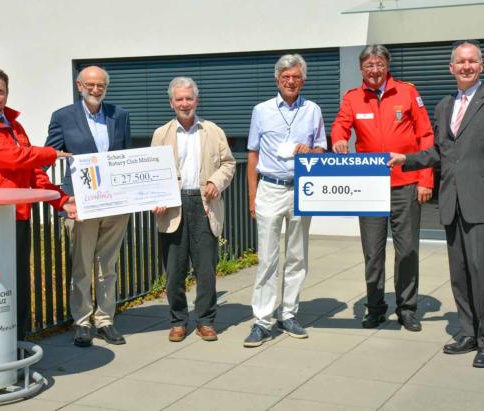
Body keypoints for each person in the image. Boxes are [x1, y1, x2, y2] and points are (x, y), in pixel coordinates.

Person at [388, 40, 484, 367]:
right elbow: (440, 153)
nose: (466, 66)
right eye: (460, 62)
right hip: (452, 201)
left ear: (481, 65)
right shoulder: (444, 106)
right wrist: (406, 158)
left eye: (472, 61)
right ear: (451, 68)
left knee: (483, 273)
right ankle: (467, 332)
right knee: (460, 273)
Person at [0, 67, 76, 341]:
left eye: (0, 91)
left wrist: (60, 200)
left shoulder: (14, 126)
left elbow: (32, 171)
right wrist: (50, 153)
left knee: (18, 284)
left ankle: (19, 343)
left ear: (7, 93)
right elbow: (11, 157)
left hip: (18, 216)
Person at [330, 44, 434, 332]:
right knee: (373, 253)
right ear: (361, 69)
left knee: (408, 250)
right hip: (369, 187)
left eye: (379, 64)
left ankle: (407, 308)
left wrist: (425, 179)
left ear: (387, 66)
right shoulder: (353, 98)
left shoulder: (407, 92)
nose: (374, 70)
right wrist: (339, 139)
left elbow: (426, 137)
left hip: (406, 184)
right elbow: (341, 125)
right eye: (368, 66)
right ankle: (375, 308)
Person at [45, 66, 132, 347]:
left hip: (115, 202)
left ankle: (105, 319)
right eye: (91, 85)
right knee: (82, 265)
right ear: (79, 85)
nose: (96, 90)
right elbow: (50, 154)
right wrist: (55, 192)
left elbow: (127, 158)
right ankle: (82, 322)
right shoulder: (63, 116)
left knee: (108, 265)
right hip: (81, 204)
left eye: (101, 86)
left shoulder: (120, 115)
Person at [244, 54, 327, 347]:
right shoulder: (261, 110)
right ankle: (262, 320)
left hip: (301, 189)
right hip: (270, 187)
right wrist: (252, 196)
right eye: (285, 77)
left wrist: (310, 152)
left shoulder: (313, 110)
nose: (290, 81)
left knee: (297, 256)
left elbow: (321, 151)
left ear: (303, 80)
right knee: (267, 257)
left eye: (296, 77)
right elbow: (252, 154)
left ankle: (289, 313)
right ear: (277, 79)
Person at [151, 77, 235, 342]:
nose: (184, 103)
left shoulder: (213, 131)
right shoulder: (161, 134)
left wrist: (215, 181)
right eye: (179, 99)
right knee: (174, 271)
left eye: (189, 98)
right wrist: (156, 197)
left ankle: (206, 320)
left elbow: (229, 164)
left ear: (196, 100)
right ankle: (178, 321)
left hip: (204, 203)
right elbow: (152, 172)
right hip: (173, 207)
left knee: (206, 269)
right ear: (171, 103)